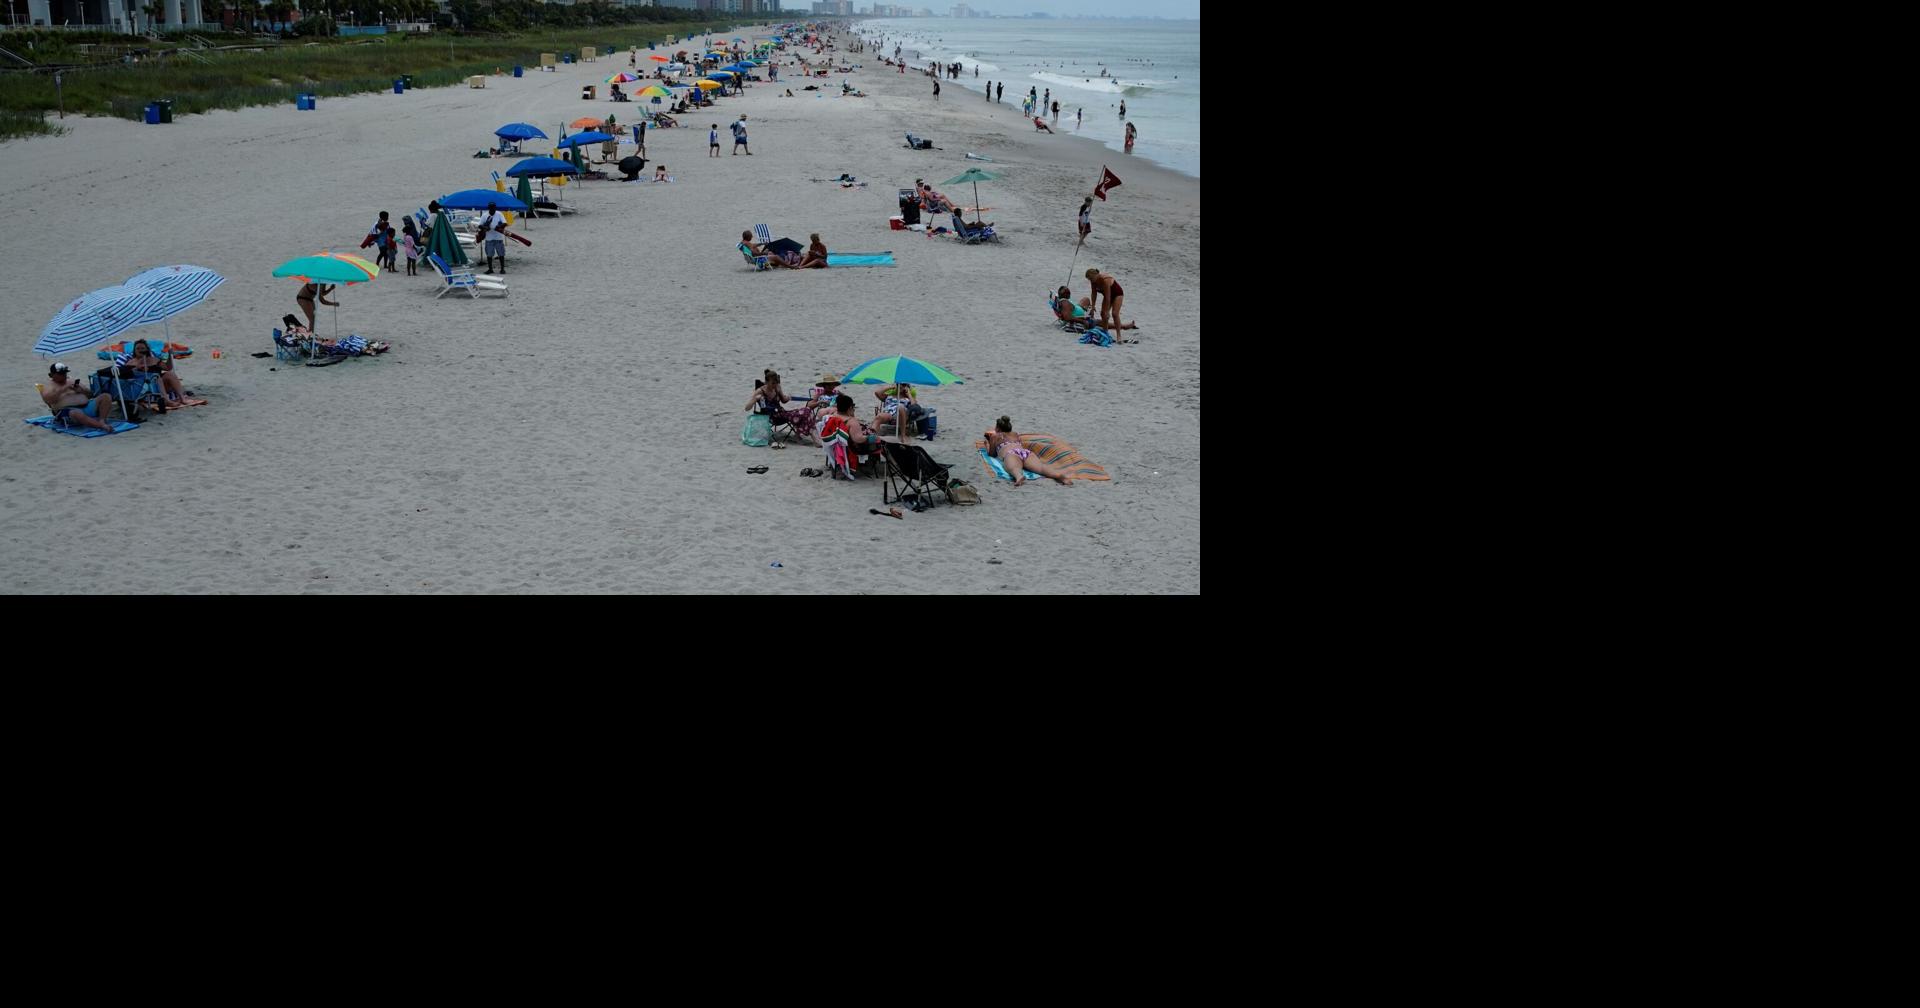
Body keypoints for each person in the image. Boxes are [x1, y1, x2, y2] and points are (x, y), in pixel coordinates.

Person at [986, 416, 1072, 486]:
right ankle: (1060, 476)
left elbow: (992, 454)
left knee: (1014, 468)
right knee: (1041, 468)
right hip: (1025, 452)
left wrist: (987, 444)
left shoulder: (995, 436)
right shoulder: (1015, 434)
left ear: (997, 428)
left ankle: (1019, 477)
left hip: (1011, 453)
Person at [820, 394, 886, 478]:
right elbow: (858, 439)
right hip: (853, 448)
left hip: (837, 444)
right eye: (853, 406)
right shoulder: (851, 421)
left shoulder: (833, 416)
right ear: (850, 408)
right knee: (878, 439)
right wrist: (872, 438)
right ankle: (872, 465)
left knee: (872, 429)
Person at [39, 361, 116, 433]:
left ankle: (102, 420)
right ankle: (101, 426)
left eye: (65, 373)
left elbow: (90, 395)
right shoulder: (48, 386)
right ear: (51, 375)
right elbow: (48, 400)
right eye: (61, 374)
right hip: (70, 412)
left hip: (87, 407)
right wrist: (63, 389)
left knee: (106, 396)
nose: (64, 376)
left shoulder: (71, 380)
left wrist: (81, 390)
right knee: (75, 413)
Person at [128, 338, 193, 405]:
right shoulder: (131, 362)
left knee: (170, 374)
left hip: (159, 386)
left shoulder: (154, 360)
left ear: (147, 350)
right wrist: (136, 369)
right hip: (142, 387)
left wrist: (170, 357)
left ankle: (182, 398)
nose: (140, 350)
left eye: (142, 348)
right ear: (134, 350)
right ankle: (167, 401)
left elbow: (168, 368)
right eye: (138, 348)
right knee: (157, 378)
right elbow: (127, 375)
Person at [477, 202, 507, 275]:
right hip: (489, 238)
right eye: (491, 208)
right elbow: (479, 225)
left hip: (498, 237)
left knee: (501, 254)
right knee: (489, 254)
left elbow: (505, 223)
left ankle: (502, 269)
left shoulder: (499, 214)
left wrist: (499, 227)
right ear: (489, 208)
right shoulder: (484, 215)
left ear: (495, 208)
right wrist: (485, 227)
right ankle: (490, 269)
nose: (493, 209)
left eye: (494, 208)